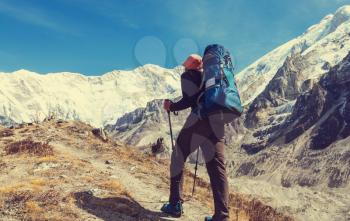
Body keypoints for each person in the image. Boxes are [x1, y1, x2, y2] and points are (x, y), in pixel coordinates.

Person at [161, 54, 230, 221]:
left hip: (199, 120)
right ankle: (222, 216)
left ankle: (175, 204)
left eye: (186, 65)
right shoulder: (213, 77)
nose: (184, 67)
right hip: (217, 122)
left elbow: (188, 100)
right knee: (217, 167)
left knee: (178, 155)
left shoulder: (188, 75)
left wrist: (172, 106)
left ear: (190, 66)